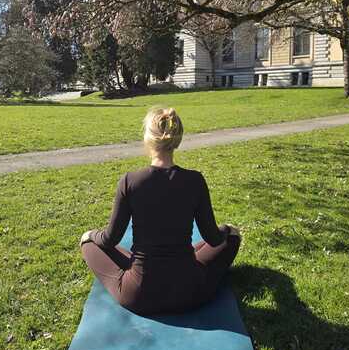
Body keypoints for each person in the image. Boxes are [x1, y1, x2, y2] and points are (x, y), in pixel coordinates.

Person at [79, 105, 242, 315]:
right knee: (232, 238)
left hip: (139, 295)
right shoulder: (195, 180)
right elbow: (213, 238)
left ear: (148, 139)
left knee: (90, 245)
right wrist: (227, 229)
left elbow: (109, 240)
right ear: (177, 139)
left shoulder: (130, 181)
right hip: (190, 292)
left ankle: (102, 247)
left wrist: (91, 235)